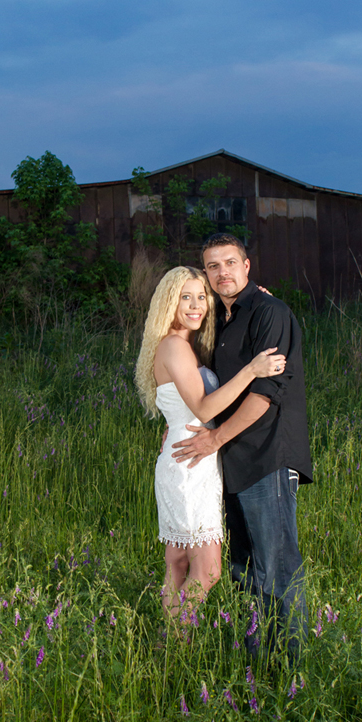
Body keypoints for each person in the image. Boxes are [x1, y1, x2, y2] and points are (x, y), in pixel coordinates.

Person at [172, 234, 313, 661]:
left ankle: (290, 669)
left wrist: (213, 438)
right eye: (212, 267)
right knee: (245, 570)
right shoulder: (223, 319)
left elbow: (265, 394)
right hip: (231, 462)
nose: (222, 273)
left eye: (230, 263)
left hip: (267, 456)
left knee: (277, 567)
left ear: (247, 266)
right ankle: (259, 661)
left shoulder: (270, 312)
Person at [134, 265, 286, 628]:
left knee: (179, 562)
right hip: (191, 463)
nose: (195, 305)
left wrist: (254, 300)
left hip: (185, 456)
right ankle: (177, 640)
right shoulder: (174, 346)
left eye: (201, 297)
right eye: (185, 297)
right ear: (169, 302)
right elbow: (203, 408)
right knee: (209, 568)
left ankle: (172, 648)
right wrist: (252, 370)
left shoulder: (182, 345)